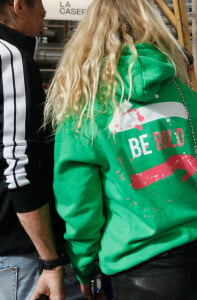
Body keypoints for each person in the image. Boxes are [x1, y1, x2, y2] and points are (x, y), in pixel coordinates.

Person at [44, 0, 197, 299]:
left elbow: (80, 207)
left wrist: (84, 267)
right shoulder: (189, 99)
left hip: (133, 266)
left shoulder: (86, 109)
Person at [0, 0, 66, 299]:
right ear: (18, 6)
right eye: (39, 2)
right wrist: (50, 261)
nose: (44, 11)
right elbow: (18, 164)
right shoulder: (11, 57)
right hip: (18, 253)